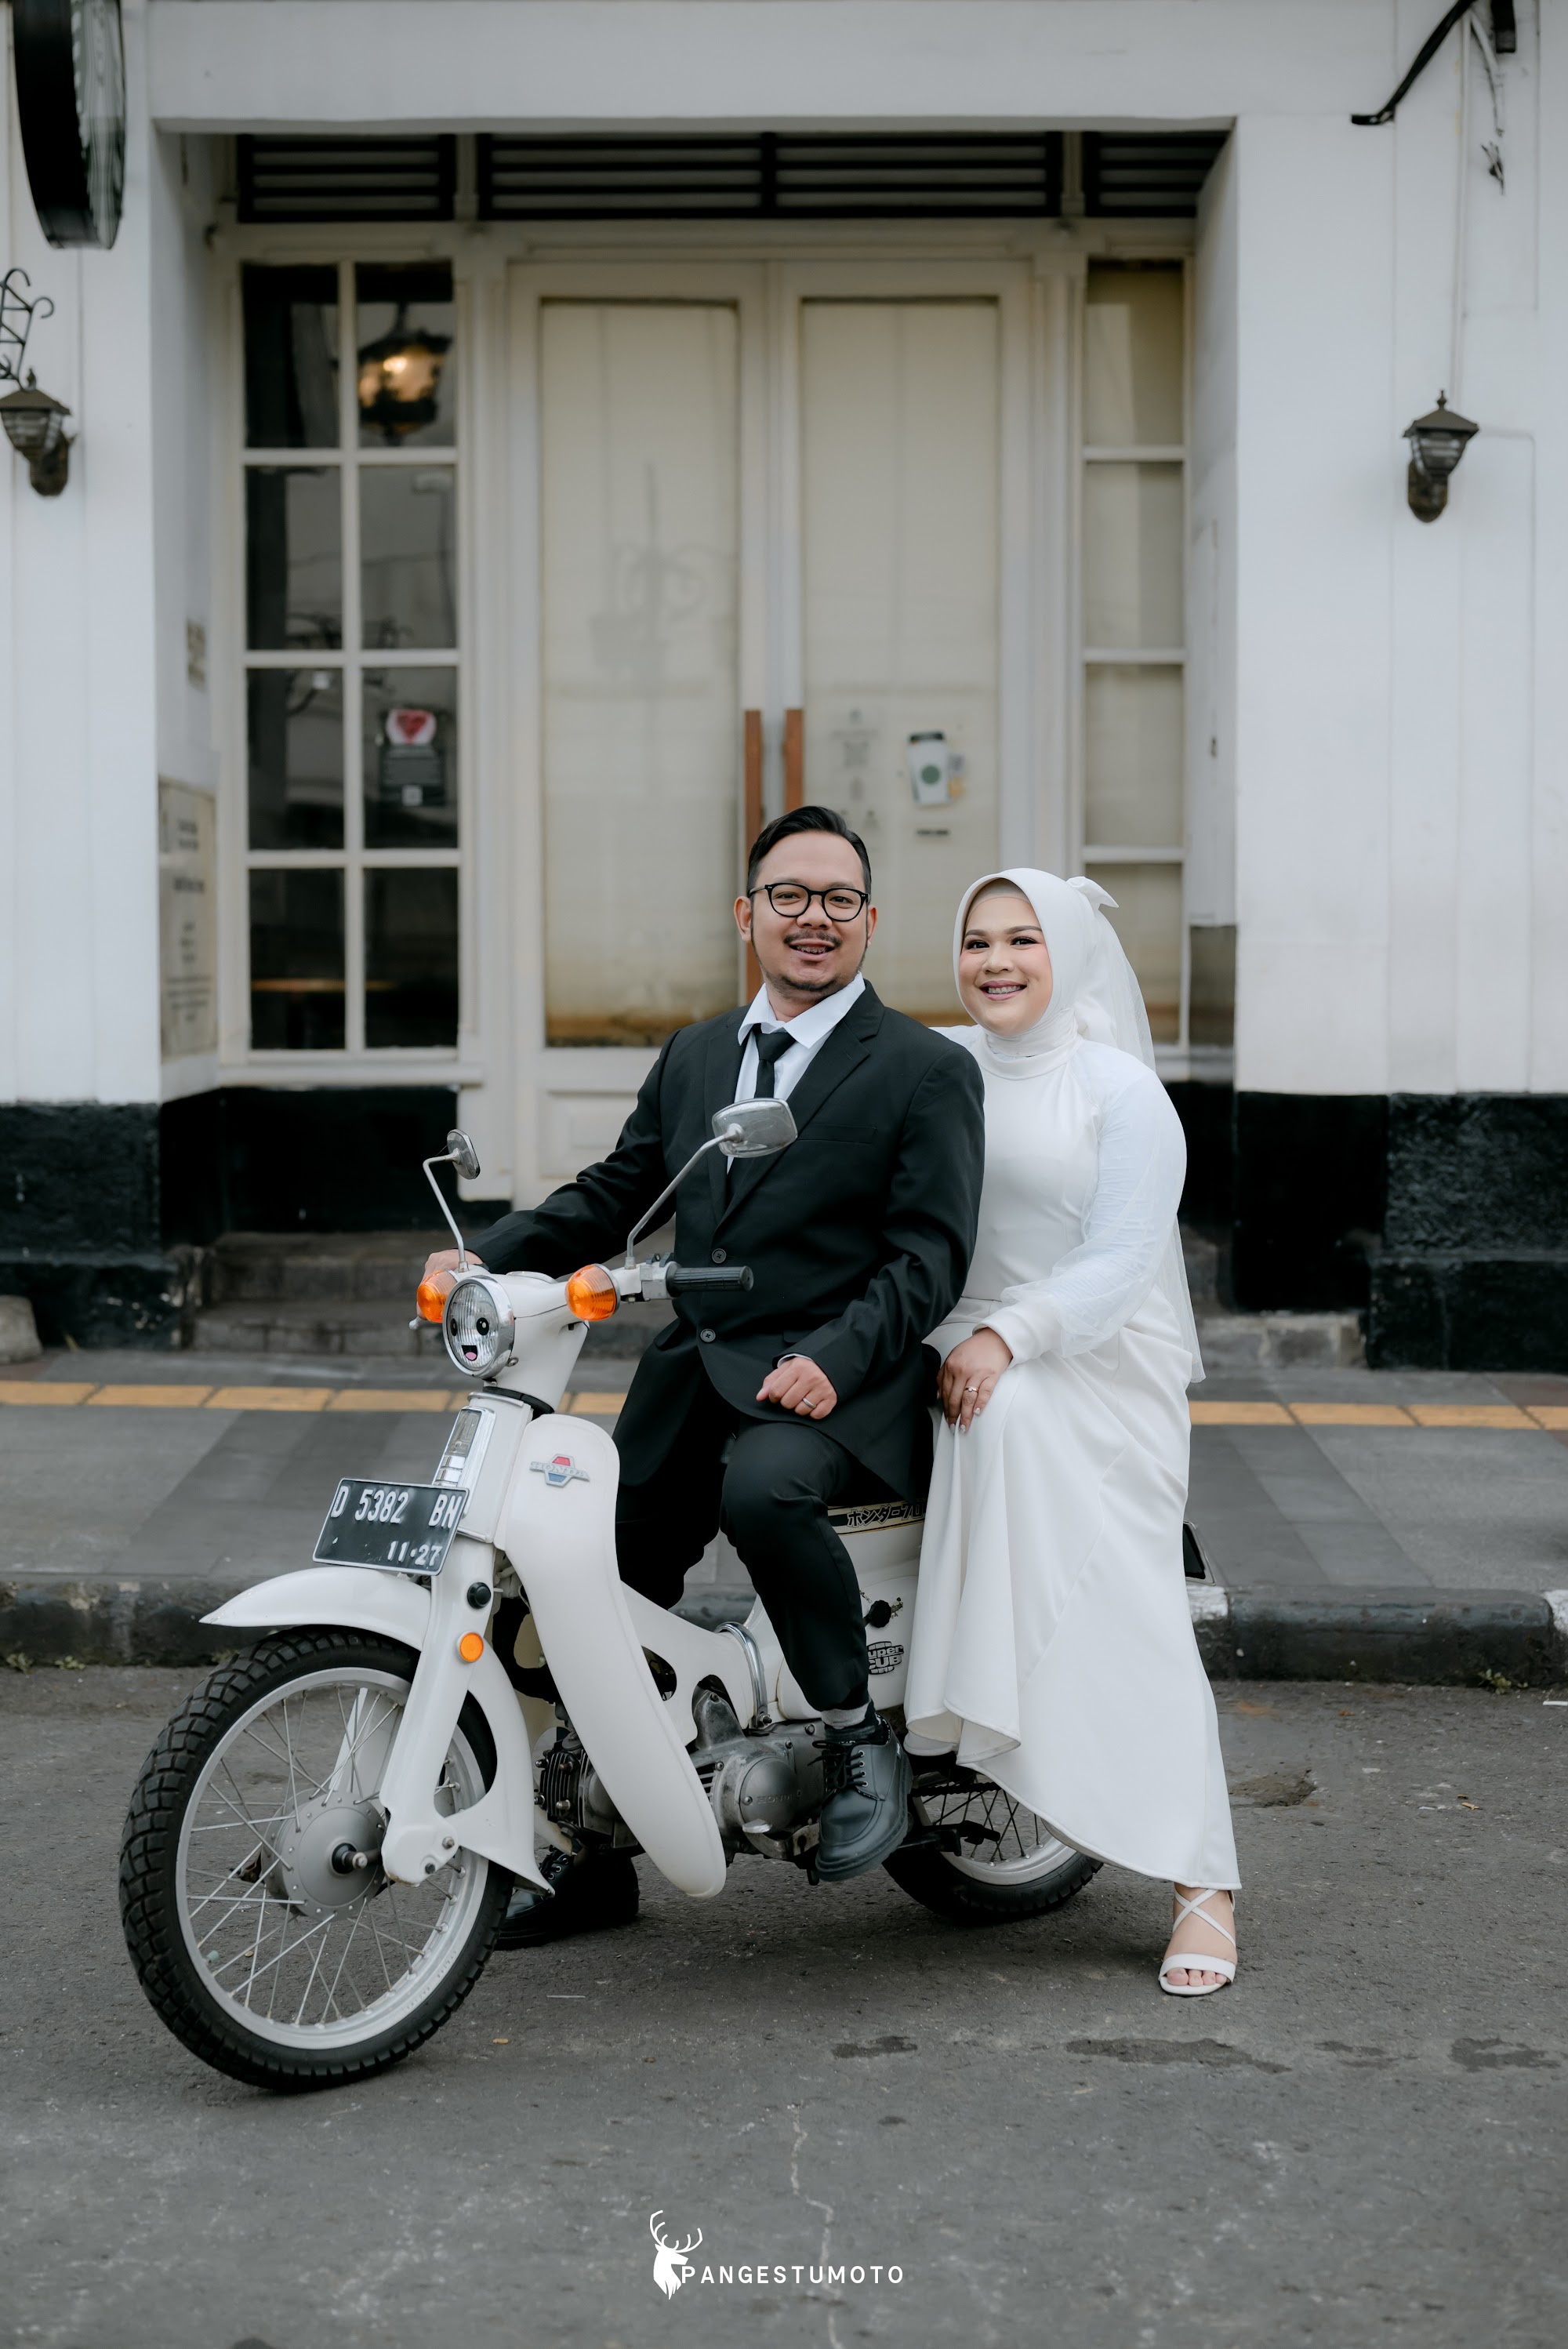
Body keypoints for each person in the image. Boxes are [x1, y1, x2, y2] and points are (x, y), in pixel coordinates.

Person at [426, 807, 985, 1944]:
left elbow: (929, 1257)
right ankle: (592, 1848)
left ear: (870, 919)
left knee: (763, 1492)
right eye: (789, 896)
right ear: (747, 914)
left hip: (842, 1376)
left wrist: (835, 1358)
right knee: (588, 1556)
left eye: (838, 899)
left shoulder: (926, 1068)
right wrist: (483, 1257)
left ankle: (857, 1736)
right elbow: (616, 1193)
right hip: (699, 1367)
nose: (813, 918)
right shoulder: (696, 1052)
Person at [903, 870, 1241, 1996]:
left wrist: (1009, 1336)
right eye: (977, 940)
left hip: (1087, 1359)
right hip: (957, 1341)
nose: (995, 962)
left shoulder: (1122, 1092)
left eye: (1023, 940)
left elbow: (1121, 1261)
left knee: (1127, 1602)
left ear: (1070, 954)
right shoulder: (940, 1066)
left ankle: (1203, 1880)